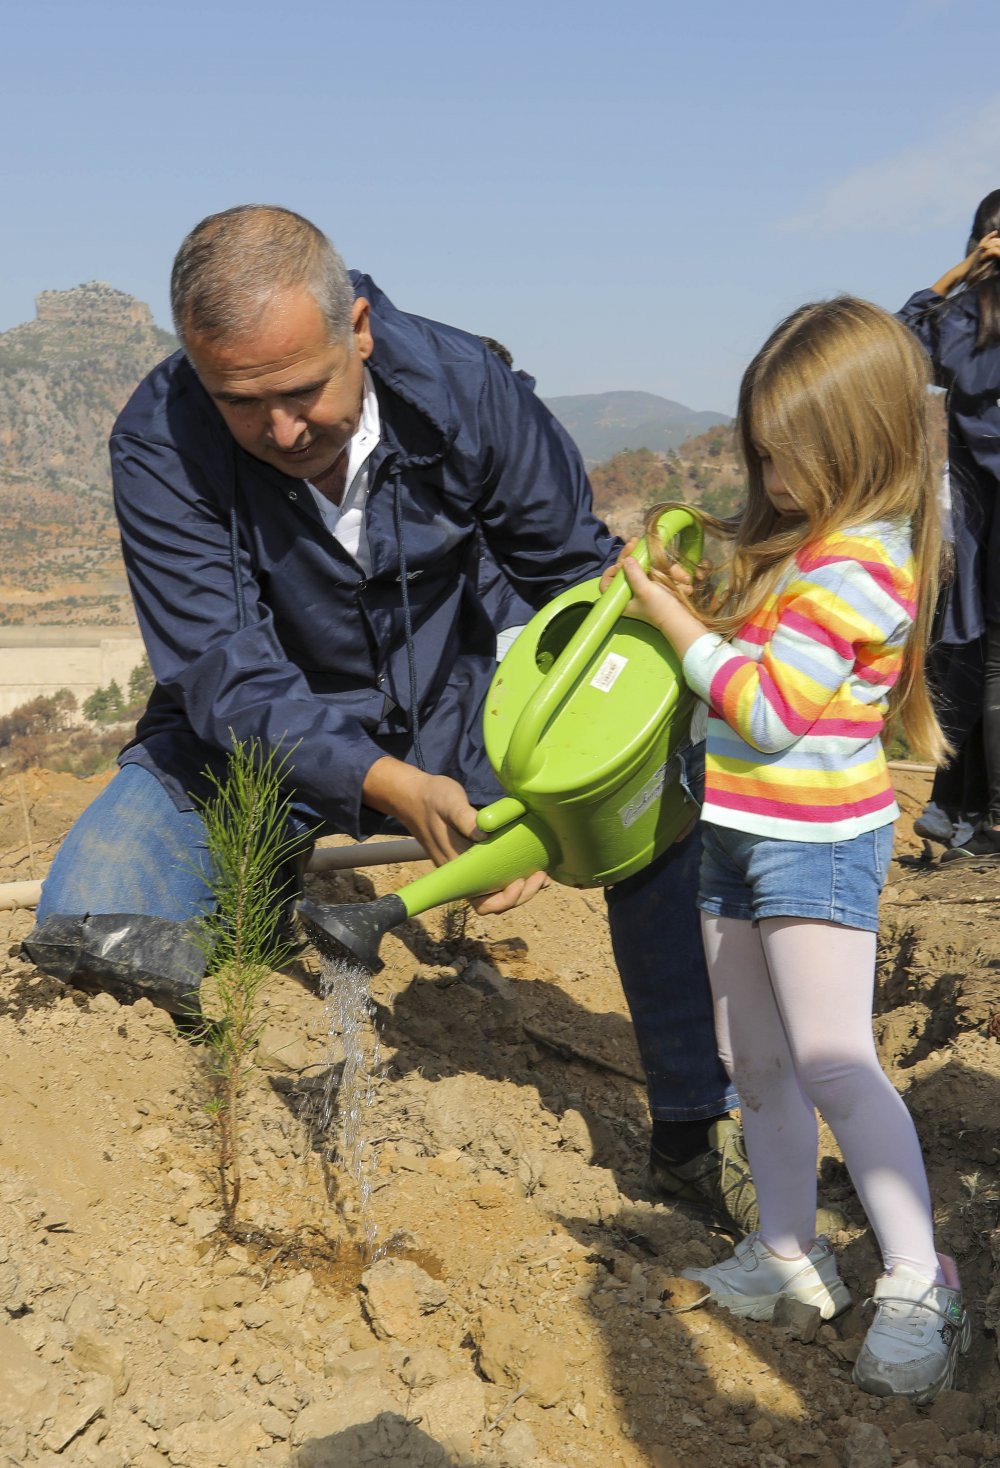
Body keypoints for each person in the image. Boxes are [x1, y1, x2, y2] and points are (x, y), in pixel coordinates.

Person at [22, 204, 754, 1230]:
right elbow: (223, 671)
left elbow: (573, 589)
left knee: (654, 808)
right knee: (88, 927)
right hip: (247, 746)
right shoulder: (159, 439)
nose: (280, 431)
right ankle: (239, 981)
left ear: (356, 329)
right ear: (196, 370)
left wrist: (551, 789)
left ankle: (694, 1122)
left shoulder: (465, 389)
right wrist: (381, 785)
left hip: (465, 719)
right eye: (241, 403)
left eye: (300, 392)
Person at [605, 297, 970, 1402]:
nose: (767, 476)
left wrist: (675, 628)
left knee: (830, 1059)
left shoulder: (861, 567)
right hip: (737, 833)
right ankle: (787, 1251)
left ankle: (919, 1275)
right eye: (759, 453)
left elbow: (764, 709)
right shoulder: (805, 548)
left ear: (856, 445)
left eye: (785, 456)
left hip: (814, 847)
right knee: (750, 1057)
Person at [898, 190, 1000, 860]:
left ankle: (957, 811)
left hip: (974, 527)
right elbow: (897, 348)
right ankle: (976, 816)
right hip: (979, 523)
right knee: (986, 661)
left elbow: (896, 342)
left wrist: (952, 278)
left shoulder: (960, 317)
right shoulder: (966, 318)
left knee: (977, 657)